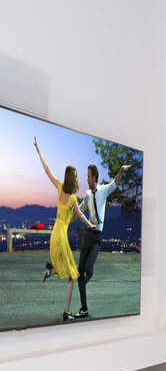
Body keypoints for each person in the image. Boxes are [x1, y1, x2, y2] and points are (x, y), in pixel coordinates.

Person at [35, 136, 93, 321]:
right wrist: (90, 224)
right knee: (72, 275)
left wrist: (38, 150)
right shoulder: (74, 199)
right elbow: (81, 215)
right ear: (74, 179)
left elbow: (47, 170)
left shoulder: (59, 187)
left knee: (60, 263)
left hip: (55, 233)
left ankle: (48, 269)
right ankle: (66, 313)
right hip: (62, 236)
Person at [75, 161, 130, 318]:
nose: (86, 179)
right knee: (80, 272)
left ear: (94, 177)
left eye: (88, 176)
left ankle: (85, 282)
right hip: (88, 234)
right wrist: (66, 221)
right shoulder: (86, 195)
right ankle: (84, 308)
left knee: (88, 269)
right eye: (86, 176)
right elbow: (79, 210)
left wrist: (121, 170)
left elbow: (115, 182)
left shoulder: (104, 190)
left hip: (97, 236)